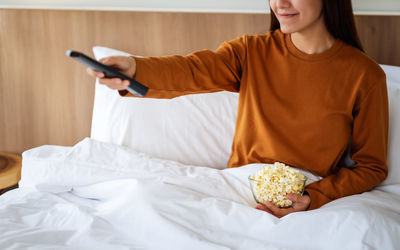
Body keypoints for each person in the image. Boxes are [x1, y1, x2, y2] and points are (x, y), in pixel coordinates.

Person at [87, 0, 388, 218]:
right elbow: (191, 71)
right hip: (238, 187)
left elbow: (370, 168)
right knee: (144, 203)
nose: (280, 4)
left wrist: (313, 198)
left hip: (303, 194)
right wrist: (135, 67)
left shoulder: (365, 75)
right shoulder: (251, 52)